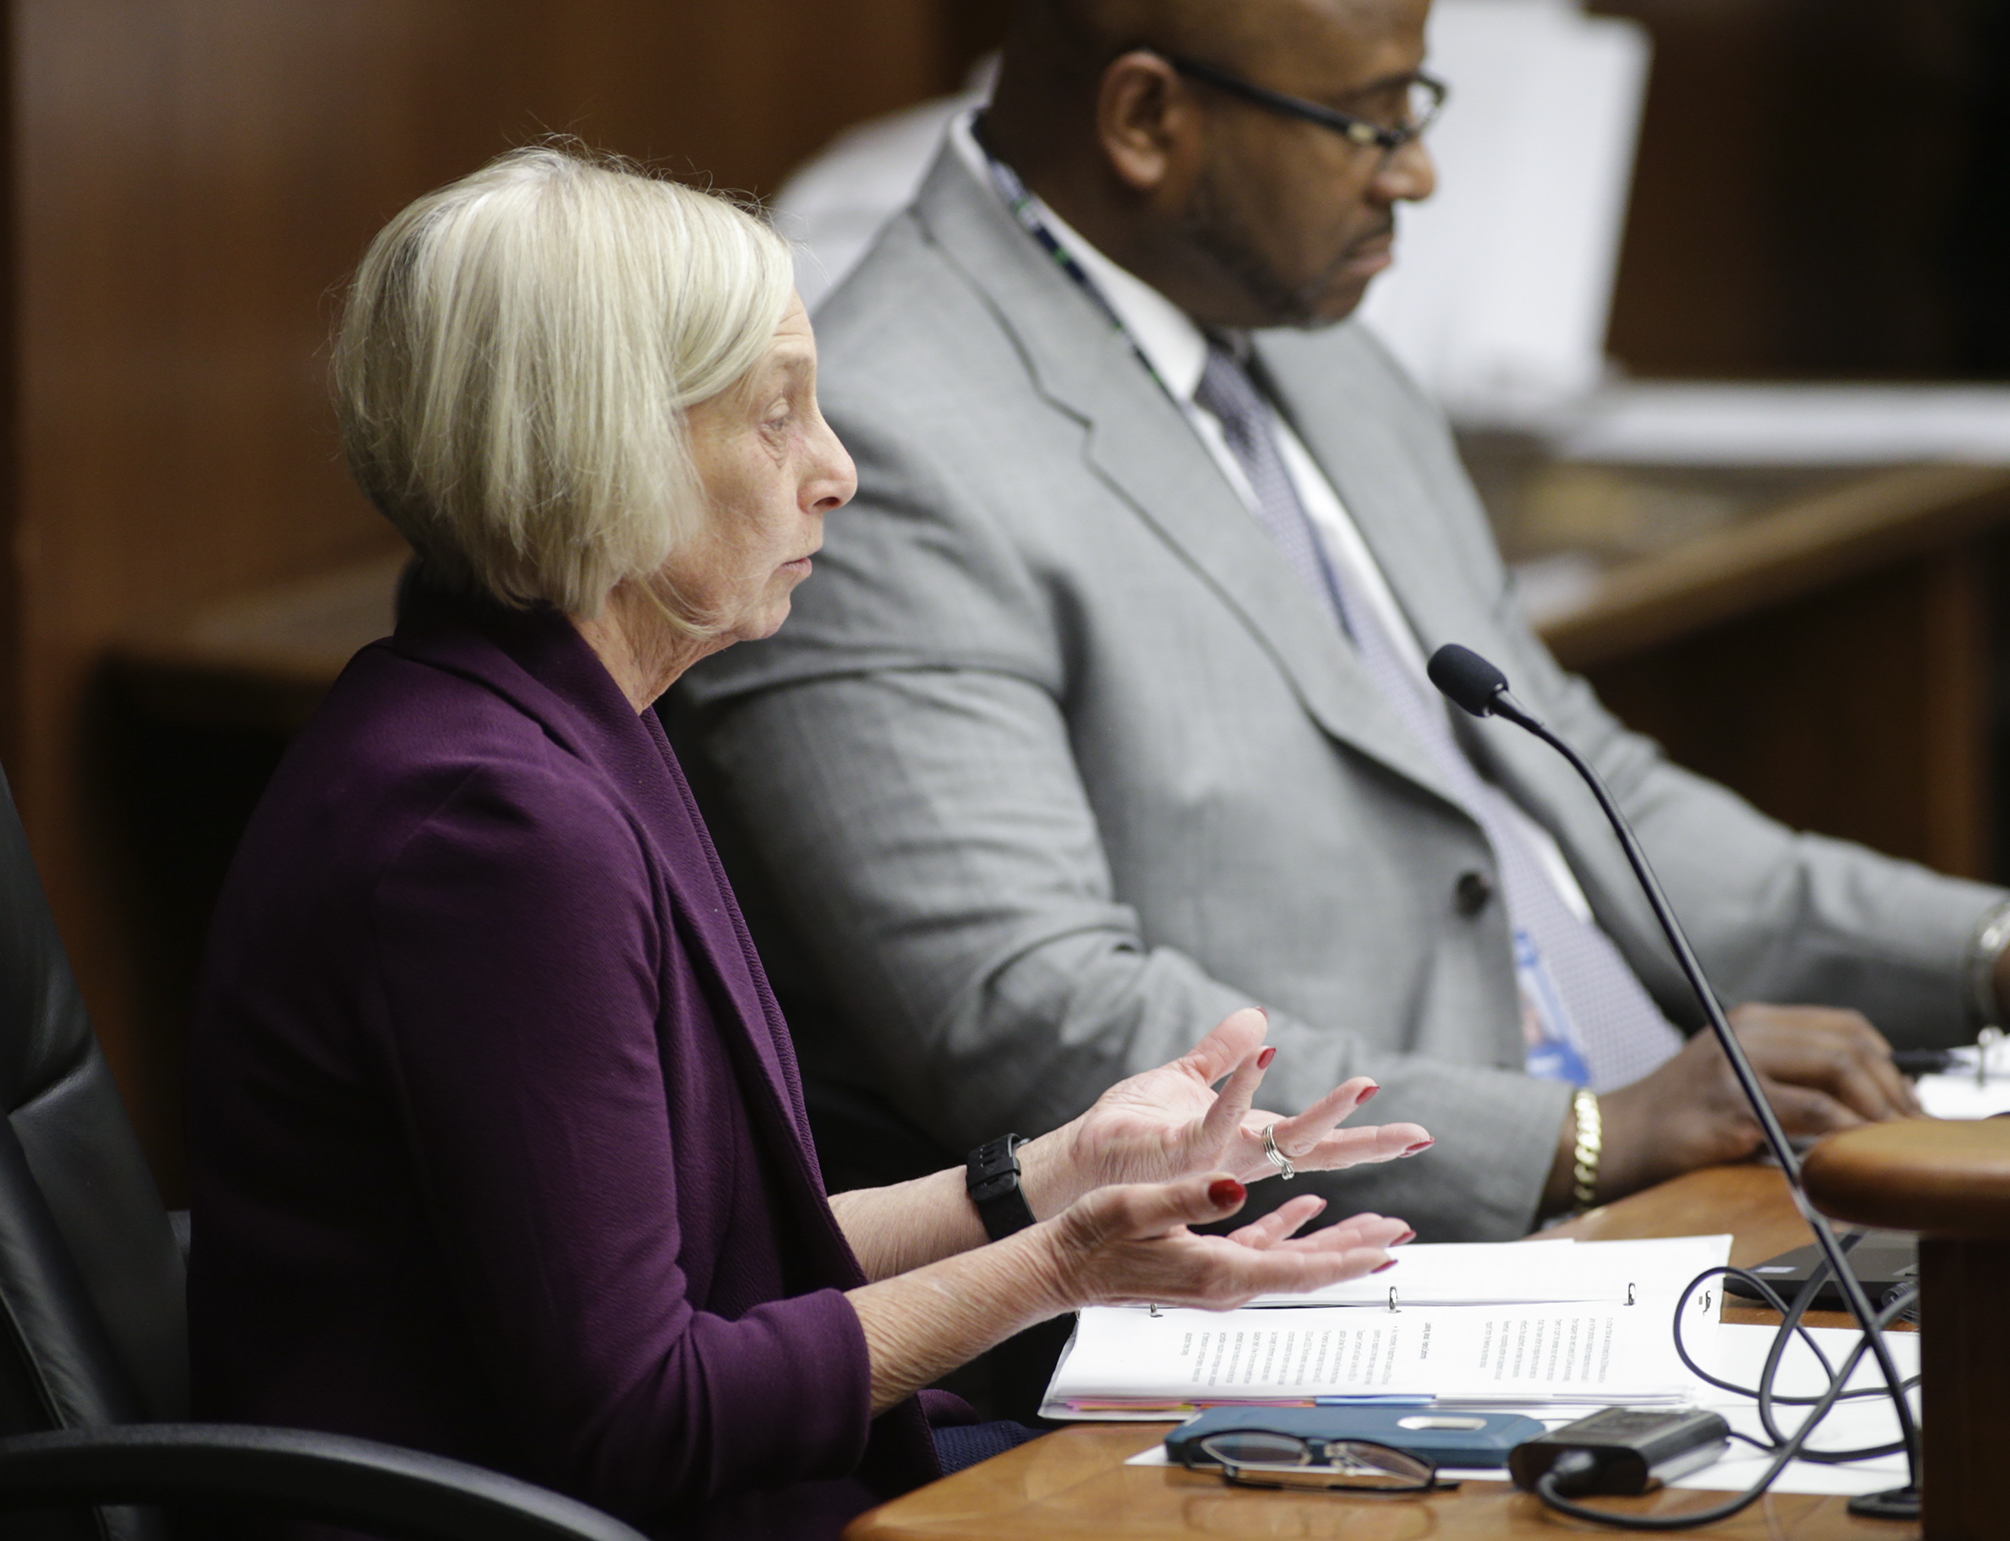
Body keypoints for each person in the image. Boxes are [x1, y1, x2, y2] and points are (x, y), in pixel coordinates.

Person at [184, 145, 1432, 1541]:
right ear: (603, 440)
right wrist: (1062, 1263)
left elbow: (717, 1264)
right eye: (776, 418)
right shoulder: (489, 831)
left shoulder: (563, 718)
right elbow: (646, 1410)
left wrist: (1051, 1174)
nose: (837, 471)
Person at [672, 0, 2003, 1247]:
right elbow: (1033, 1017)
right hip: (1378, 1265)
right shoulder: (891, 443)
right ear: (1145, 120)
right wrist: (1584, 1135)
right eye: (1374, 122)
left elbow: (1594, 793)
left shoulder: (1309, 335)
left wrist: (1979, 951)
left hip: (1679, 1180)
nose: (1416, 176)